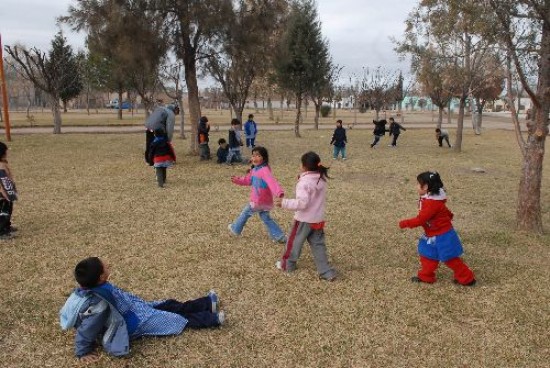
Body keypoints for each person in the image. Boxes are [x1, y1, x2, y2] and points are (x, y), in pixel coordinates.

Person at [59, 257, 224, 363]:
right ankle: (213, 319)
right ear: (102, 277)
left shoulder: (92, 286)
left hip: (137, 309)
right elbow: (87, 329)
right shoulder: (96, 304)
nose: (108, 264)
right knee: (174, 318)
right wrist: (82, 351)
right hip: (134, 323)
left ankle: (208, 303)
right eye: (105, 266)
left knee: (170, 304)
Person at [399, 171, 476, 286]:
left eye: (417, 183)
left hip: (442, 236)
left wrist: (405, 223)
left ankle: (467, 278)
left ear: (425, 187)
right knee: (428, 254)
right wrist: (448, 216)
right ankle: (426, 276)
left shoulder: (431, 203)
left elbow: (421, 219)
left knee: (450, 259)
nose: (416, 186)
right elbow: (446, 212)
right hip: (433, 234)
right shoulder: (433, 199)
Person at [274, 151, 336, 281]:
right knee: (318, 245)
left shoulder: (304, 182)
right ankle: (326, 271)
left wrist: (284, 202)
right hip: (318, 219)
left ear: (304, 166)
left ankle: (287, 264)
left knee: (294, 242)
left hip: (304, 220)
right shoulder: (321, 178)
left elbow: (302, 203)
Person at [228, 146, 287, 243]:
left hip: (258, 201)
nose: (255, 158)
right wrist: (237, 180)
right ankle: (279, 236)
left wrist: (279, 192)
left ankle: (235, 229)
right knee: (266, 218)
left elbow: (272, 182)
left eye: (258, 156)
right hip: (265, 202)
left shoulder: (264, 170)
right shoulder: (255, 170)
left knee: (245, 212)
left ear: (264, 158)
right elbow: (248, 180)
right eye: (253, 155)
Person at [0, 142, 17, 239]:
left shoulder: (3, 163)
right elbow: (3, 181)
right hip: (3, 194)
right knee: (4, 211)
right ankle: (1, 232)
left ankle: (6, 226)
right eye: (6, 151)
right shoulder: (1, 166)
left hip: (7, 192)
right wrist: (6, 193)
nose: (7, 153)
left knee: (8, 210)